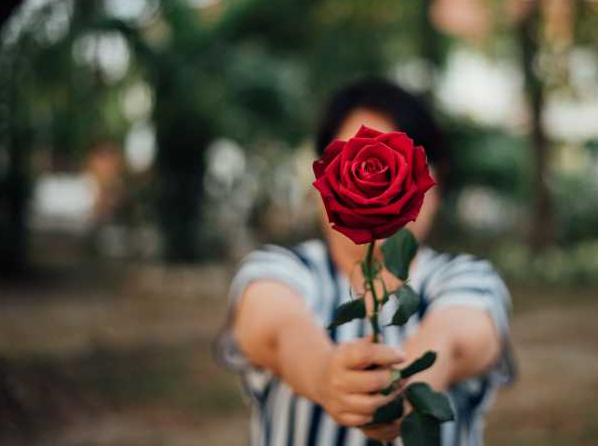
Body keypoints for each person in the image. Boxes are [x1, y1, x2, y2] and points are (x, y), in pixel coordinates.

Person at [215, 78, 516, 445]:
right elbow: (278, 332)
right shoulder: (281, 269)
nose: (376, 180)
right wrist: (325, 375)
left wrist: (402, 390)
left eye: (405, 163)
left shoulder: (465, 277)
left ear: (434, 183)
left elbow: (454, 340)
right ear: (323, 178)